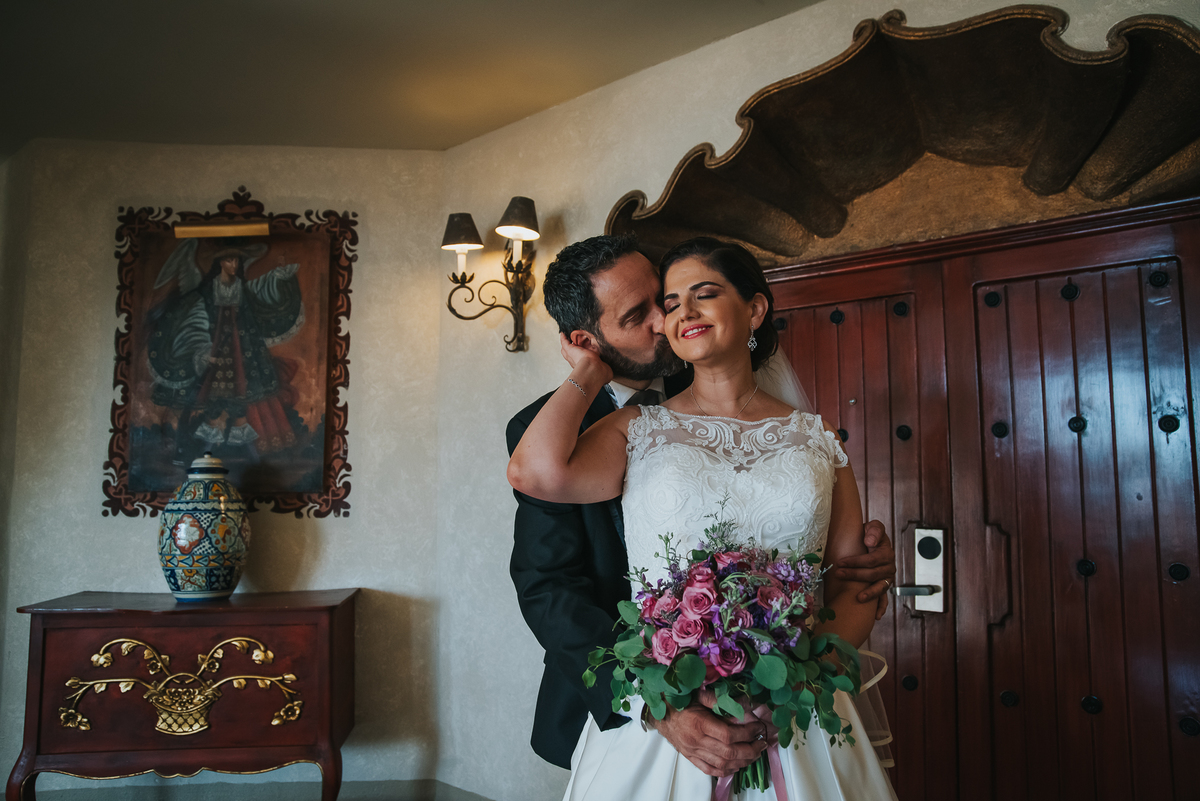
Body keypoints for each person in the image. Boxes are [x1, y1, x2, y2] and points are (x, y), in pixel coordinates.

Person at [506, 234, 897, 792]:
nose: (670, 318)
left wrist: (795, 680)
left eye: (681, 298)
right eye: (654, 309)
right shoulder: (622, 429)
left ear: (754, 309)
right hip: (650, 703)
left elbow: (850, 579)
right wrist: (658, 701)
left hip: (791, 700)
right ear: (588, 340)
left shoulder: (813, 436)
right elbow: (548, 580)